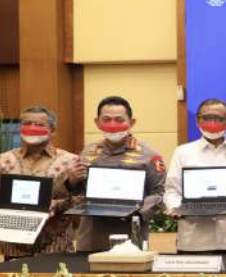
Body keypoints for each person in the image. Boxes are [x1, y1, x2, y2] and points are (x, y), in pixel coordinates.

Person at [0, 106, 80, 260]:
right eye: (27, 123)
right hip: (13, 245)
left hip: (56, 246)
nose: (32, 128)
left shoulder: (70, 161)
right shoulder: (3, 160)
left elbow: (80, 200)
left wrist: (57, 205)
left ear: (52, 130)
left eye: (39, 125)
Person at [68, 96, 166, 252]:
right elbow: (78, 191)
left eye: (119, 120)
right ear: (97, 122)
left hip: (130, 233)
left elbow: (160, 193)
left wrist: (138, 211)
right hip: (92, 234)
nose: (112, 125)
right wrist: (72, 180)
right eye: (106, 119)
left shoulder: (150, 156)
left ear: (131, 122)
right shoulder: (87, 152)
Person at [164, 99, 226, 254]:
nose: (212, 122)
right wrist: (176, 209)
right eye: (207, 118)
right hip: (193, 240)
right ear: (198, 120)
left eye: (219, 118)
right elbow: (171, 190)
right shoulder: (182, 152)